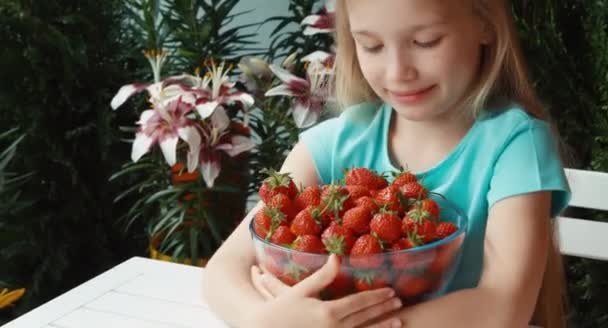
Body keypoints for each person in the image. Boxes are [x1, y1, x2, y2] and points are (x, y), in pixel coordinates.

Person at [202, 0, 572, 327]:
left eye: (425, 41)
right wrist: (265, 320)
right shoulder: (335, 141)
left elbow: (502, 308)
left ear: (485, 24)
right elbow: (222, 271)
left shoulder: (515, 145)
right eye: (372, 45)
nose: (398, 71)